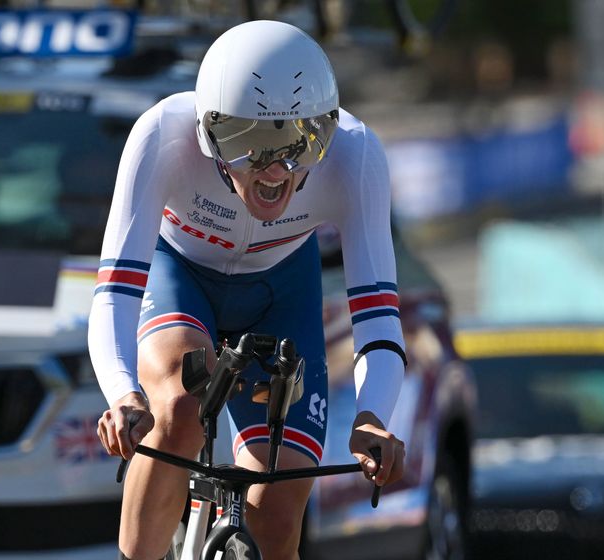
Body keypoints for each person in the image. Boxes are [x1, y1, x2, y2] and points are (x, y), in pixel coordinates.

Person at [89, 19, 407, 560]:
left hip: (282, 293)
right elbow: (116, 290)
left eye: (301, 141)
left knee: (278, 518)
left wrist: (373, 415)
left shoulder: (355, 154)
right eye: (252, 142)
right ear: (209, 132)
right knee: (181, 410)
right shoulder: (161, 134)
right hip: (180, 275)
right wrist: (123, 395)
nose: (276, 169)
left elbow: (376, 314)